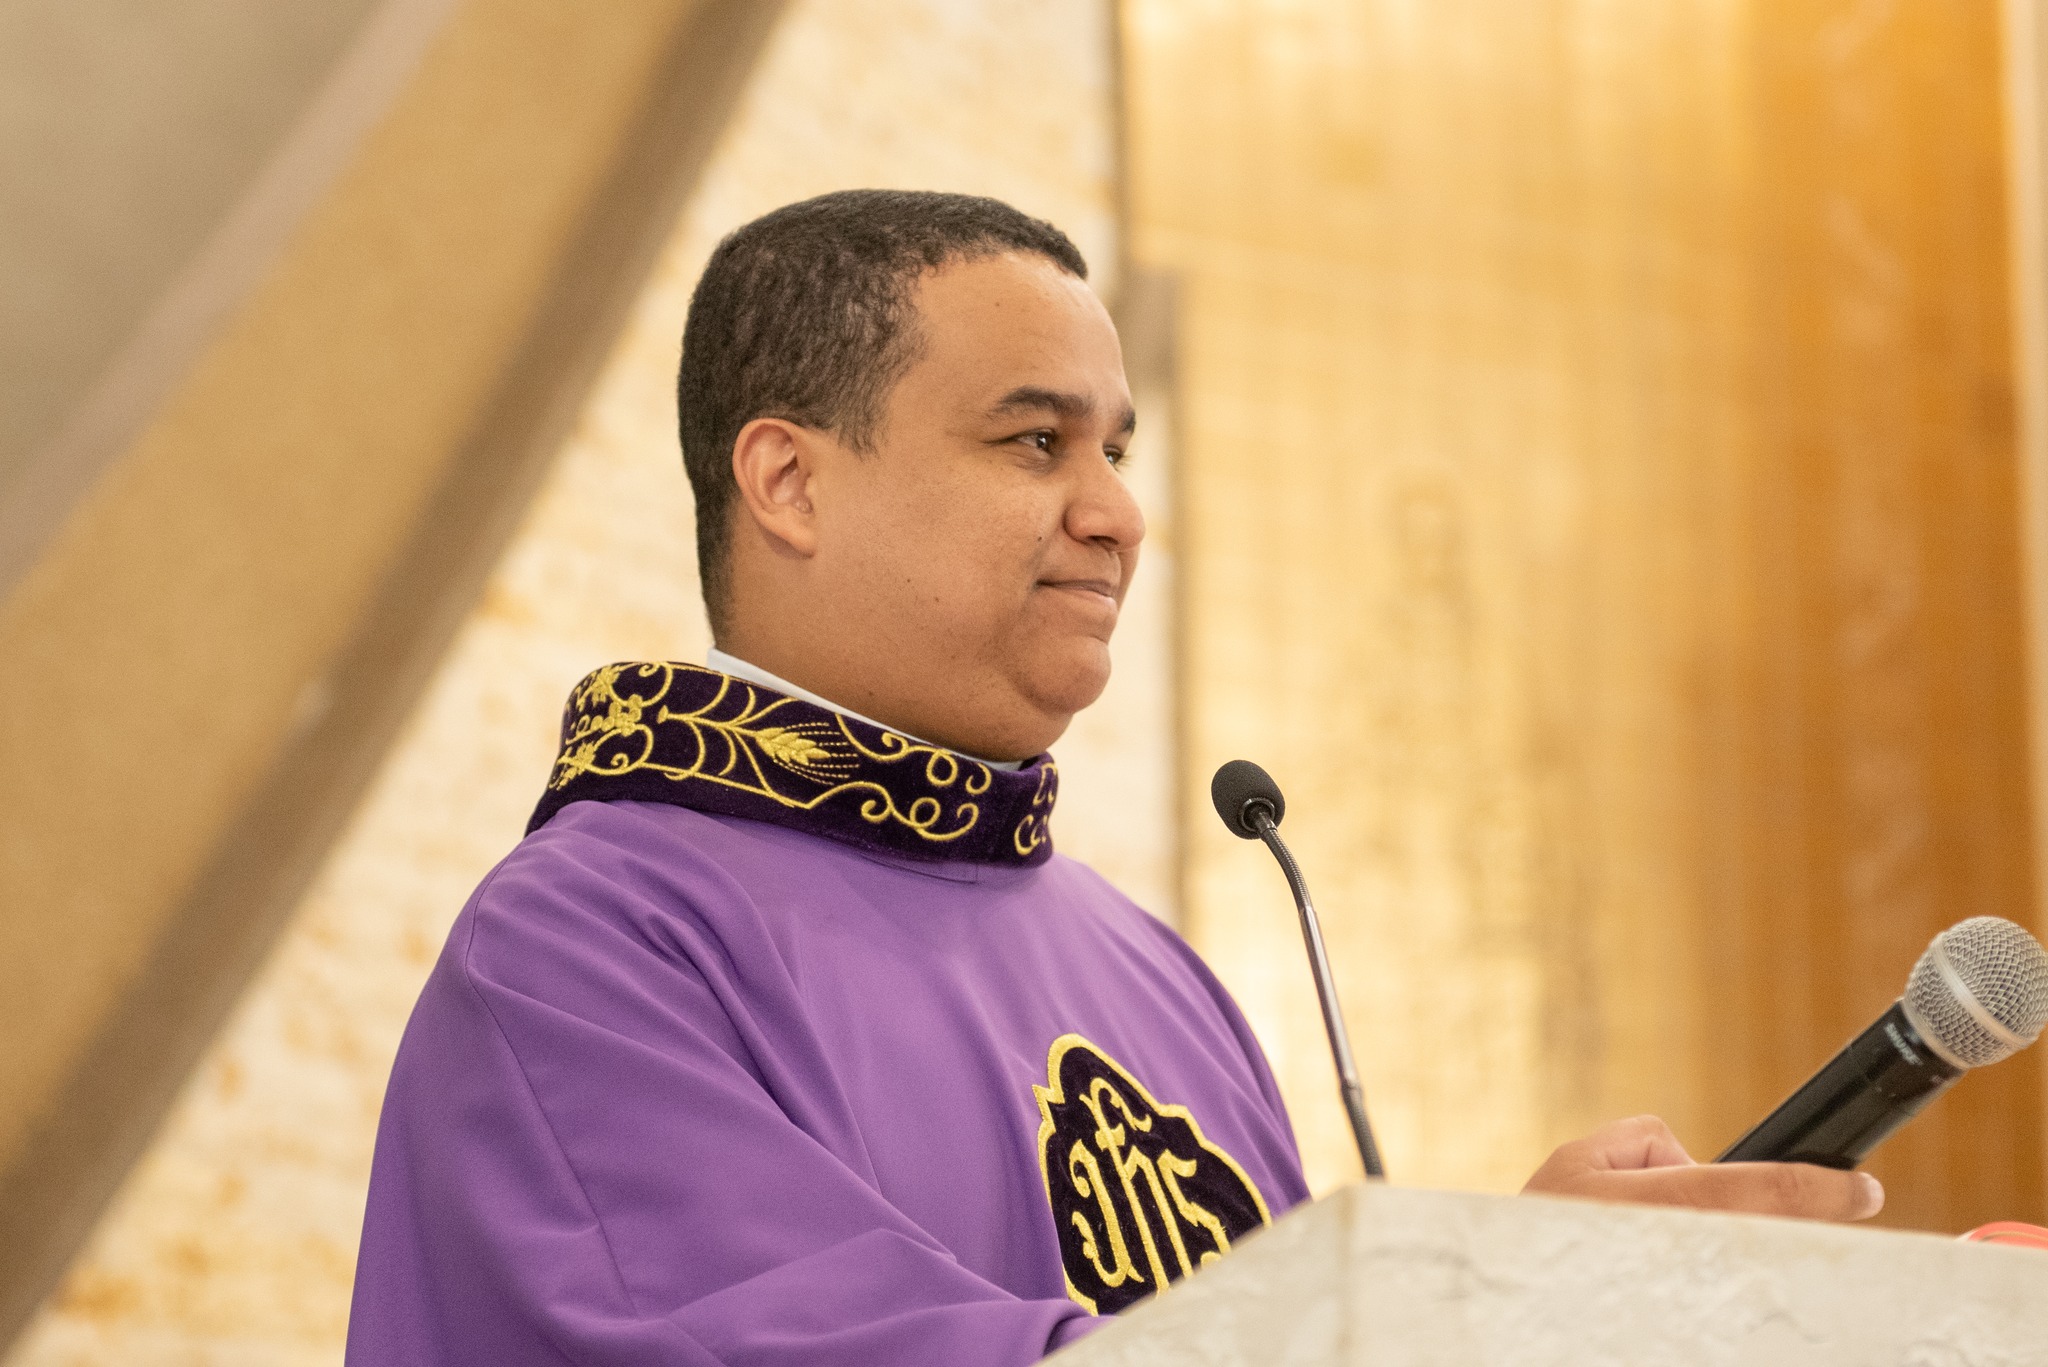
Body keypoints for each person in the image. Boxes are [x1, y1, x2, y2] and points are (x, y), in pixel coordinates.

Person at [346, 190, 1883, 1366]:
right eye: (1035, 444)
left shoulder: (1150, 969)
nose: (1117, 515)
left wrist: (1508, 1295)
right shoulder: (586, 950)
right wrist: (1468, 1317)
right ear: (791, 483)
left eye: (1119, 453)